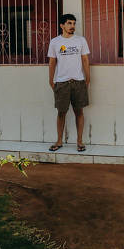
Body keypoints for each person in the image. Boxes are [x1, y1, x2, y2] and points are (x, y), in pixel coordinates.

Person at [47, 13, 90, 152]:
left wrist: (87, 78)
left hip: (78, 82)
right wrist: (51, 80)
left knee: (79, 112)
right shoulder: (55, 42)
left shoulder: (81, 40)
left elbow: (85, 60)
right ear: (62, 25)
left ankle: (79, 142)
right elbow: (52, 62)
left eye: (74, 23)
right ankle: (59, 141)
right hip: (62, 83)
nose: (72, 26)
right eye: (69, 23)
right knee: (61, 113)